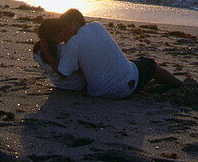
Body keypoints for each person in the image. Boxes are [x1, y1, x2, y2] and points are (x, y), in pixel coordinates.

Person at [34, 8, 181, 98]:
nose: (64, 32)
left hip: (98, 92)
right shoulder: (97, 27)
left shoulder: (75, 42)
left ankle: (172, 85)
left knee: (138, 64)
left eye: (65, 27)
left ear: (74, 23)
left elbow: (63, 72)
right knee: (150, 64)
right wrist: (49, 51)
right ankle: (180, 86)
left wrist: (46, 51)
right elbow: (63, 73)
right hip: (123, 89)